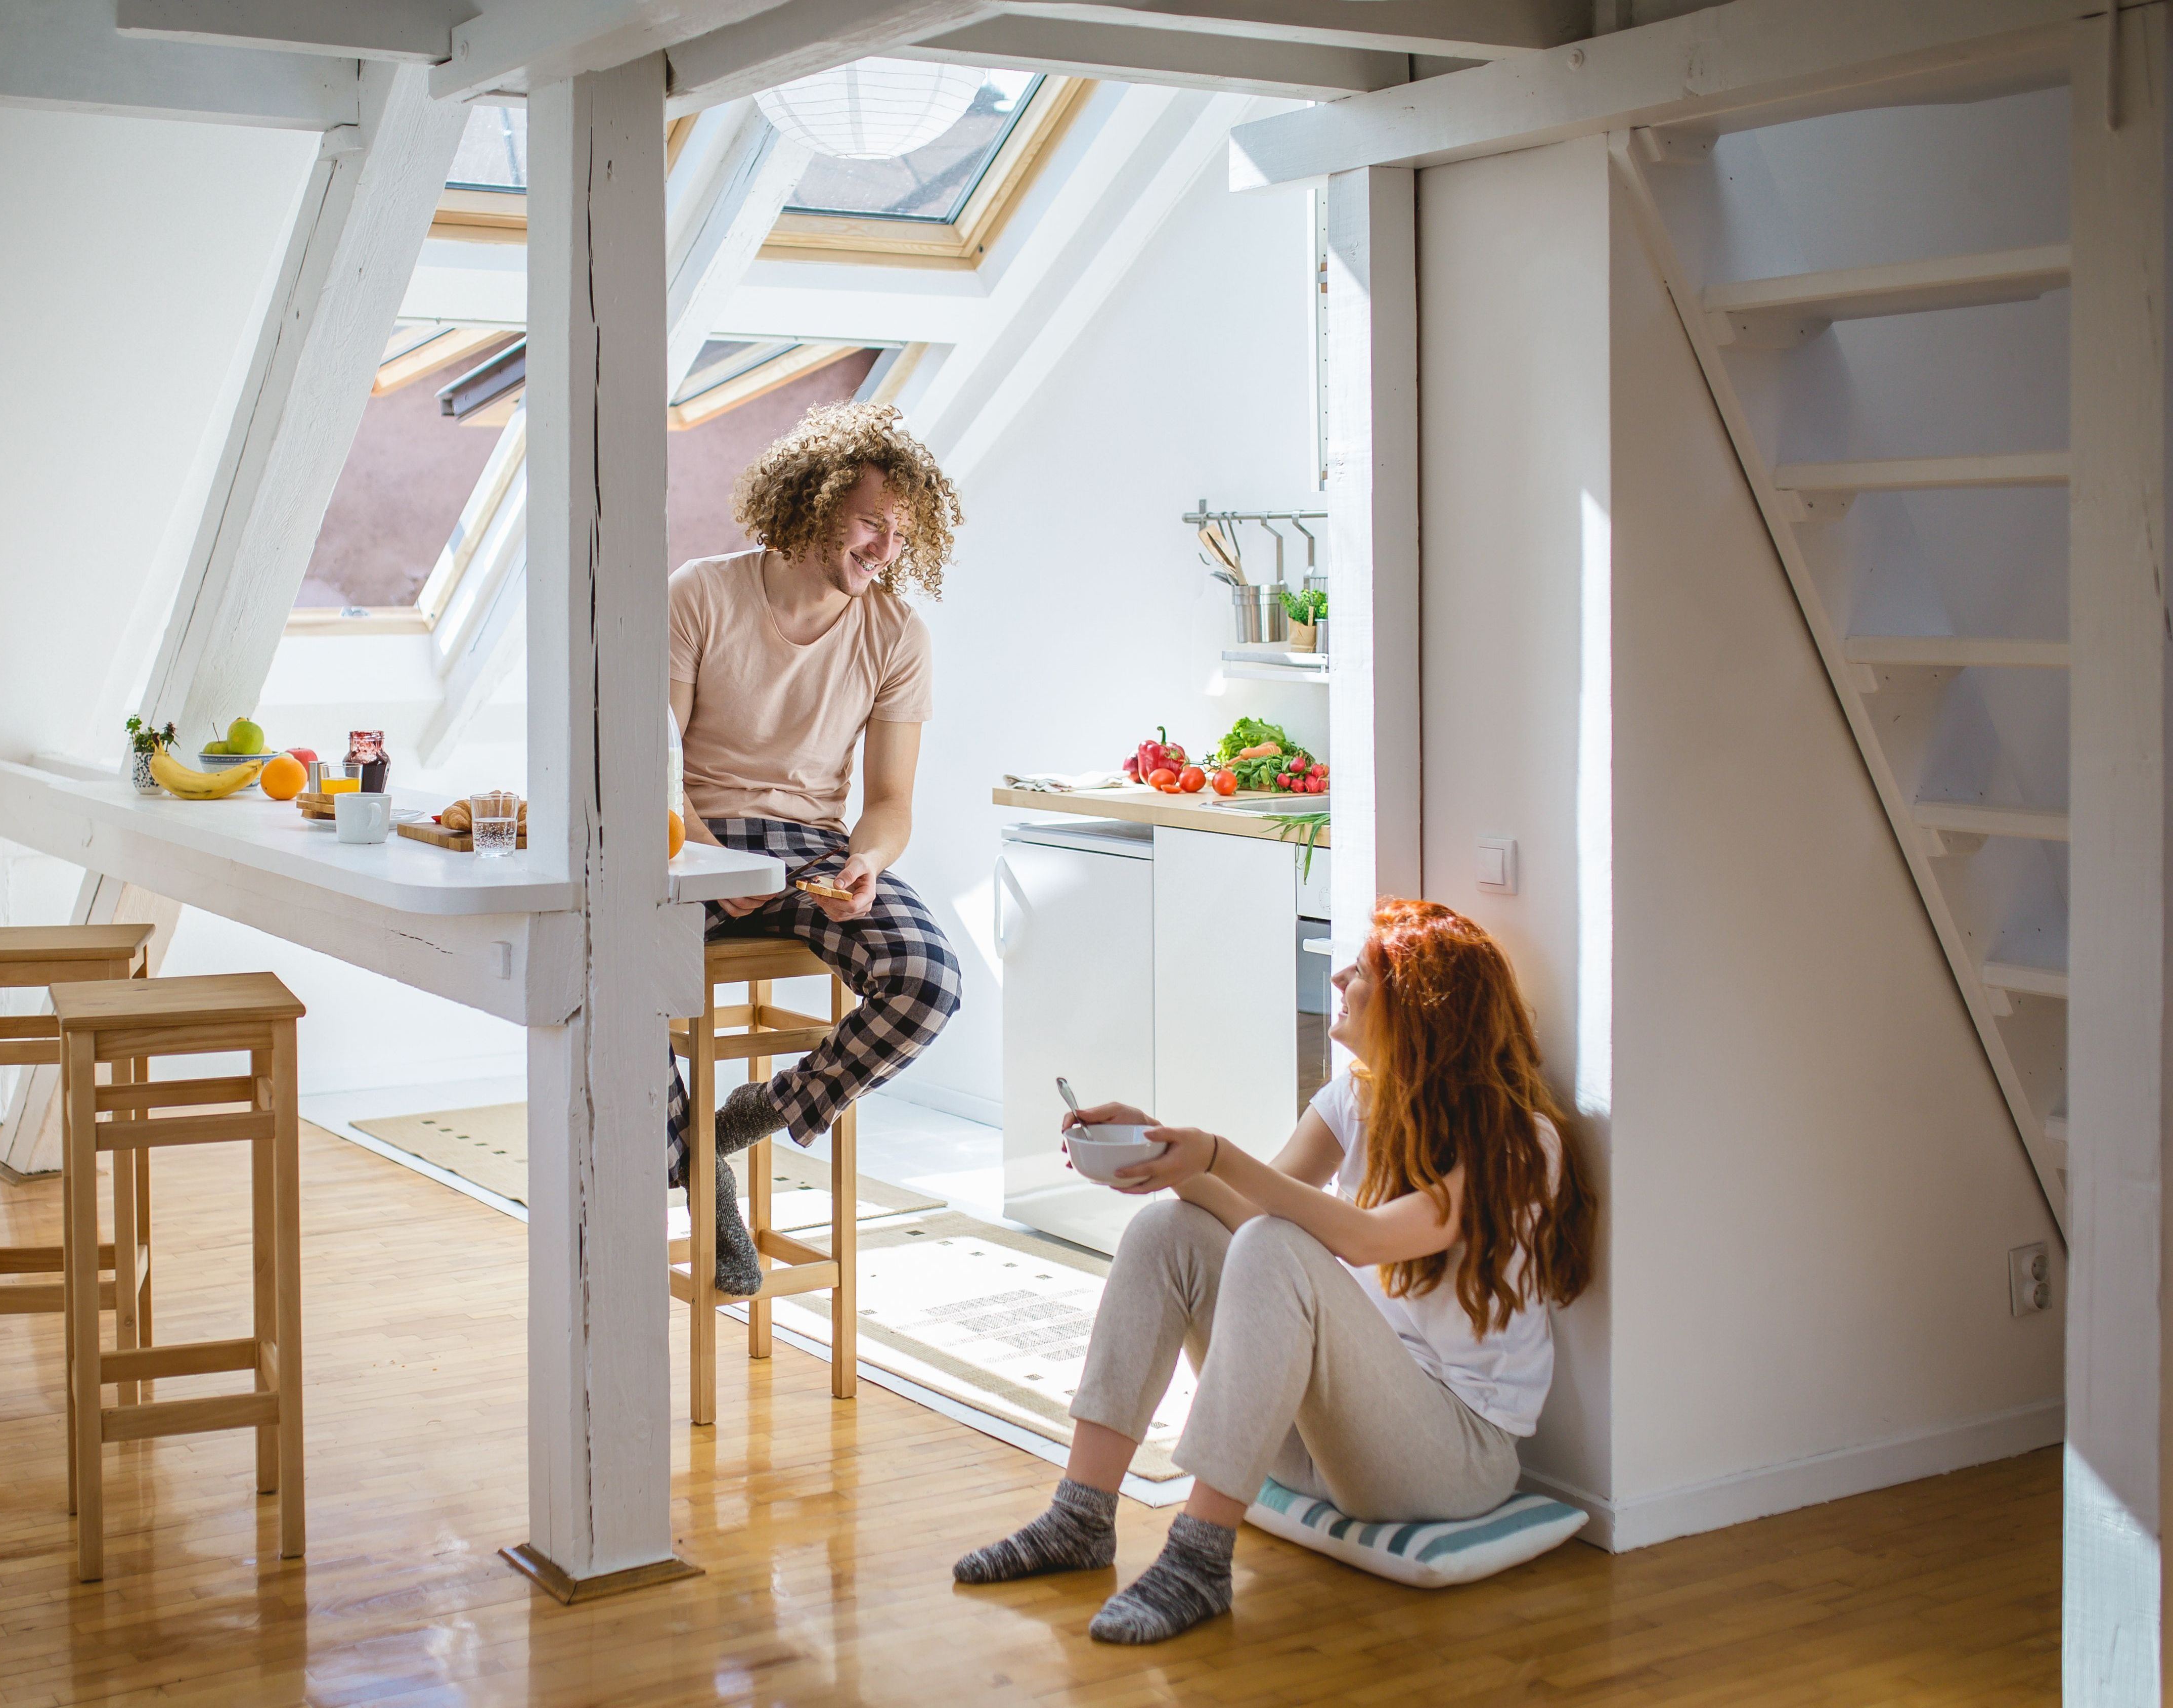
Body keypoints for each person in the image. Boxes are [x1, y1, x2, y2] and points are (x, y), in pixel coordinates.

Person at [954, 898, 1594, 1644]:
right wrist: (1160, 1158)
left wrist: (1217, 1153)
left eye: (1364, 971)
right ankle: (1080, 1516)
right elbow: (1240, 1209)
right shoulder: (1354, 1097)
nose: (1341, 978)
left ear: (1419, 1009)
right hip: (1326, 1445)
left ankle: (1197, 1561)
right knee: (1171, 1226)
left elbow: (1364, 1239)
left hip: (1449, 1459)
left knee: (1277, 1243)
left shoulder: (1521, 1142)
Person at [669, 402, 966, 1294]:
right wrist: (708, 860)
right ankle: (699, 1173)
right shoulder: (699, 593)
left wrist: (865, 863)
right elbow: (651, 767)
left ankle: (747, 1119)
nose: (884, 549)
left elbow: (887, 803)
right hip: (688, 838)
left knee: (929, 979)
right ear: (816, 499)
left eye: (900, 533)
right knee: (618, 972)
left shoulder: (897, 635)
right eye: (872, 522)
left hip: (810, 847)